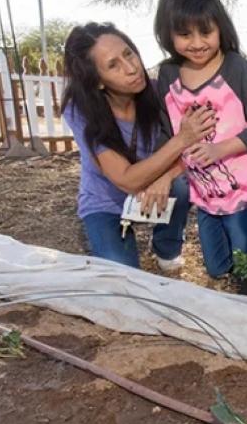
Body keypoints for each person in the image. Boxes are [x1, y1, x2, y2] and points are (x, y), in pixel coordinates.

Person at [61, 22, 215, 269]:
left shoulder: (159, 93)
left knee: (181, 185)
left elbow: (199, 147)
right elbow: (126, 180)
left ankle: (167, 247)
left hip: (155, 189)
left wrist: (166, 176)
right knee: (124, 278)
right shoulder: (81, 110)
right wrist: (182, 139)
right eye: (113, 65)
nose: (131, 68)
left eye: (128, 53)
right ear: (97, 81)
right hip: (107, 202)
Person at [153, 0, 247, 278]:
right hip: (204, 195)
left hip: (246, 192)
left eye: (205, 31)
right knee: (218, 268)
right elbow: (166, 135)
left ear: (220, 27)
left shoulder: (235, 68)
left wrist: (220, 148)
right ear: (168, 34)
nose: (197, 43)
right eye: (184, 34)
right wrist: (164, 176)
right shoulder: (168, 76)